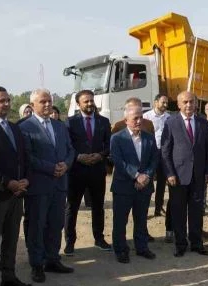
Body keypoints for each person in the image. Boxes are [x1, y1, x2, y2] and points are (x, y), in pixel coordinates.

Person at [20, 88, 76, 283]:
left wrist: (66, 164)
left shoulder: (59, 126)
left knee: (55, 224)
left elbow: (70, 150)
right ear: (33, 105)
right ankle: (37, 264)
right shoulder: (25, 127)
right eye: (42, 101)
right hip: (39, 186)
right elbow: (28, 157)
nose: (47, 105)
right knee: (37, 225)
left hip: (59, 184)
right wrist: (50, 168)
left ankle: (52, 258)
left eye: (49, 101)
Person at [0, 86, 32, 286]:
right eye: (1, 101)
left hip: (17, 193)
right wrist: (7, 182)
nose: (7, 104)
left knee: (11, 239)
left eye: (8, 100)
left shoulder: (14, 128)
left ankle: (9, 276)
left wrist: (24, 180)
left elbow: (23, 157)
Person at [161, 91, 208, 257]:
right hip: (178, 176)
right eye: (185, 102)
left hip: (198, 176)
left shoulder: (202, 122)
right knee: (178, 211)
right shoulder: (171, 122)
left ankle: (197, 243)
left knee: (197, 211)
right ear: (179, 104)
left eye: (192, 102)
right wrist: (169, 173)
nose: (189, 105)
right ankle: (180, 244)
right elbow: (165, 150)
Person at [64, 90, 112, 255]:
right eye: (86, 101)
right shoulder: (70, 123)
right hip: (76, 172)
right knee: (72, 207)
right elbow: (66, 146)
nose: (90, 104)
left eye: (92, 101)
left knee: (98, 206)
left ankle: (99, 238)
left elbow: (109, 145)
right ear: (78, 104)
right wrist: (78, 157)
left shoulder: (104, 122)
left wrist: (100, 155)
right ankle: (70, 242)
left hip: (97, 171)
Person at [111, 103, 159, 263]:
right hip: (123, 186)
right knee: (120, 220)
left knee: (141, 219)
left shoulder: (149, 138)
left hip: (144, 187)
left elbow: (154, 159)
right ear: (126, 120)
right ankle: (121, 249)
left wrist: (146, 176)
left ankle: (142, 247)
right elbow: (118, 162)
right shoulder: (117, 138)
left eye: (141, 118)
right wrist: (137, 175)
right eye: (135, 118)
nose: (139, 121)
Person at [143, 94, 170, 221]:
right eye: (163, 102)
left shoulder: (169, 117)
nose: (165, 105)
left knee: (161, 182)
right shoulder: (146, 117)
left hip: (164, 153)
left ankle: (158, 208)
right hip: (150, 153)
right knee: (147, 181)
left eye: (166, 103)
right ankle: (144, 210)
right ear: (155, 102)